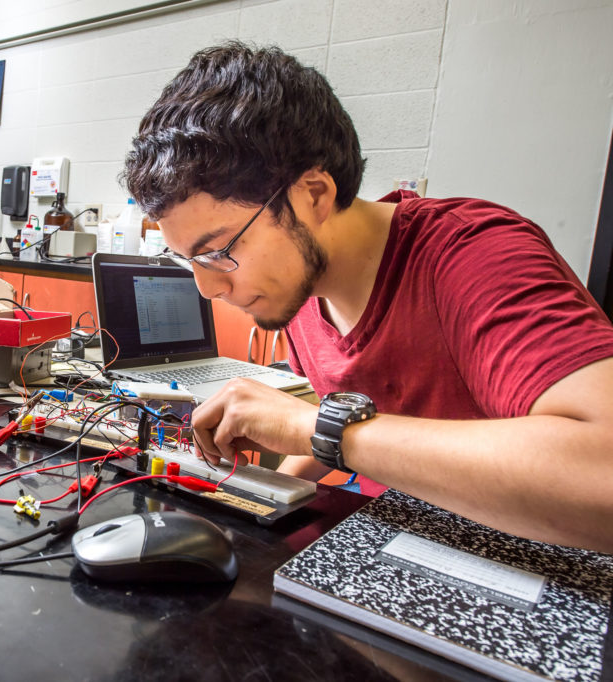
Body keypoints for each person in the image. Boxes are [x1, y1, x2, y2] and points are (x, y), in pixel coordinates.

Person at [121, 42, 613, 553]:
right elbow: (346, 432)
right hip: (392, 540)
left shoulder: (476, 255)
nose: (210, 288)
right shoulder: (297, 285)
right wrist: (261, 500)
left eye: (220, 250)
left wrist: (315, 426)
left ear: (313, 194)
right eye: (190, 260)